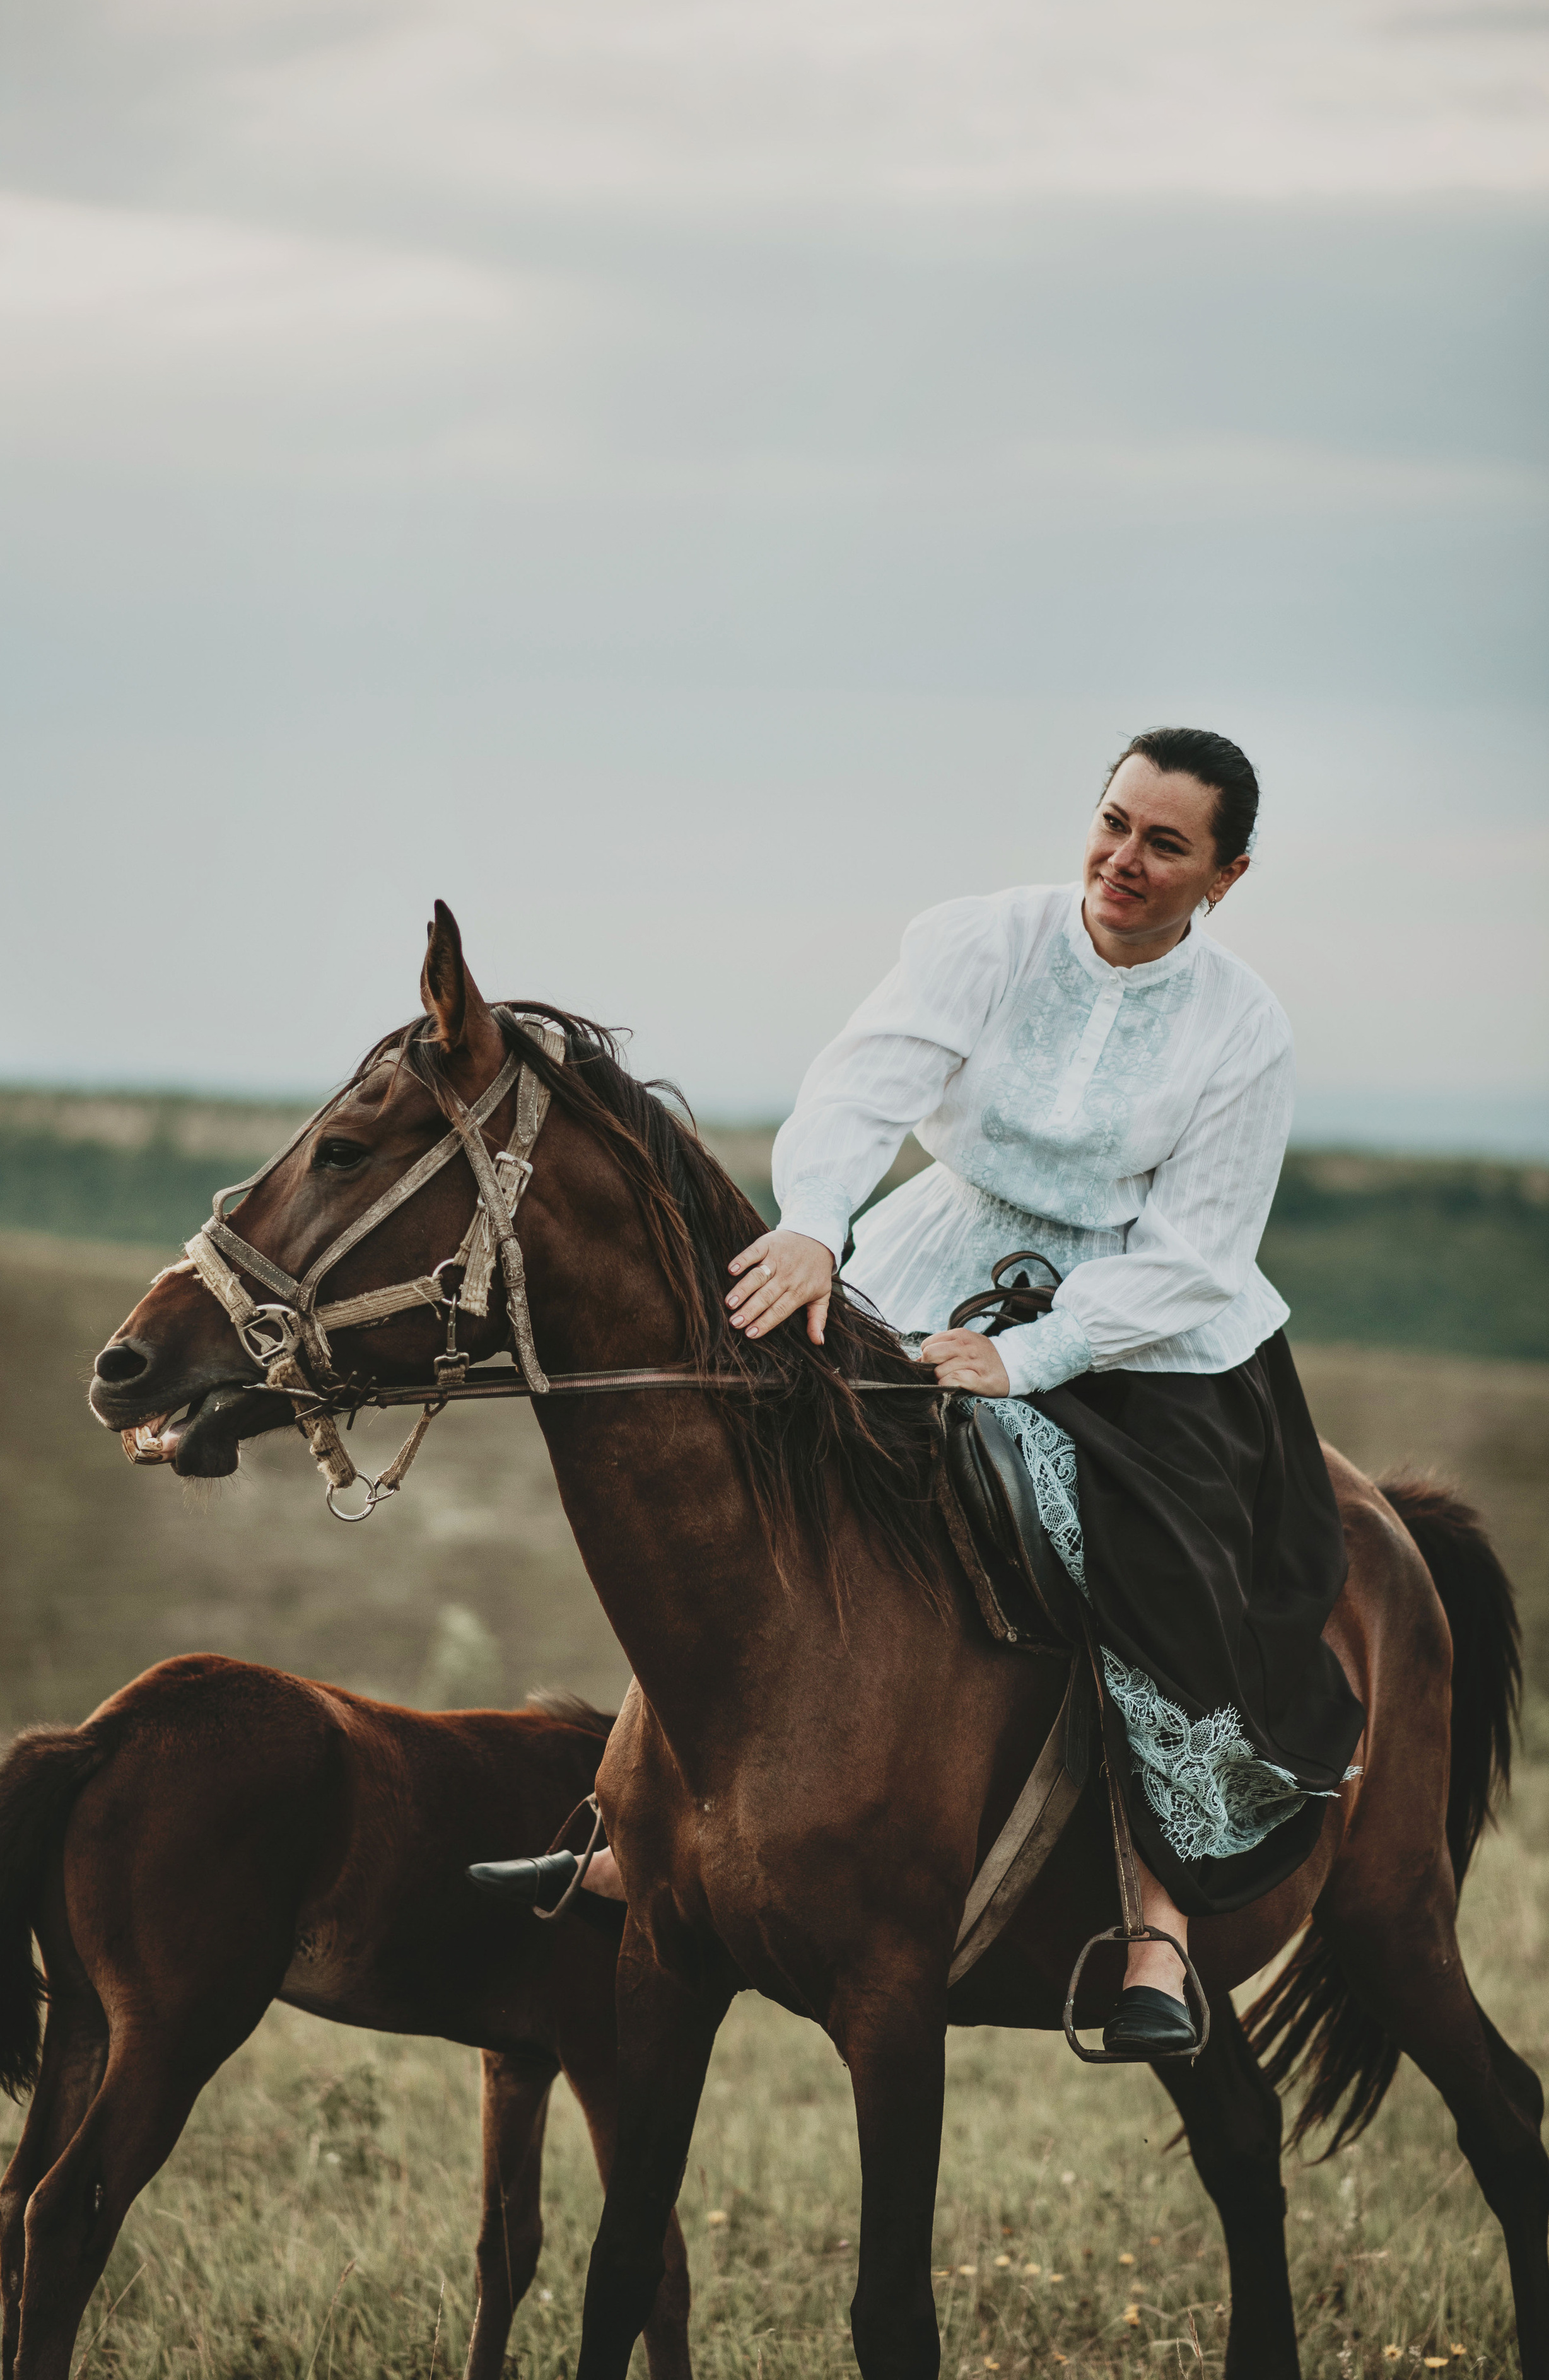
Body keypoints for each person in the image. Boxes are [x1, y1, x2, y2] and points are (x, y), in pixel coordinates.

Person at [470, 728, 1365, 2060]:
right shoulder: (981, 941)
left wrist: (1030, 1356)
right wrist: (818, 1225)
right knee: (752, 1476)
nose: (1121, 859)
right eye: (1111, 822)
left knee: (1145, 1554)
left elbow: (1197, 1253)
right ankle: (634, 1826)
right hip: (933, 1250)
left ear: (1223, 875)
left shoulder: (1243, 1029)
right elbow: (858, 1087)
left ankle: (1156, 1921)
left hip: (1142, 1323)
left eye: (1162, 844)